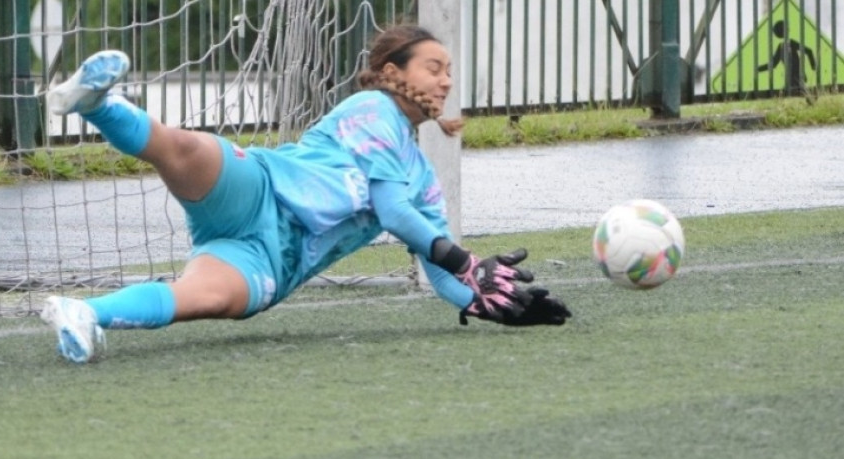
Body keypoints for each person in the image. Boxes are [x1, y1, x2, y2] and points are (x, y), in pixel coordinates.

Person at [40, 24, 571, 363]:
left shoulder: (424, 179)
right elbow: (394, 212)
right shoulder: (373, 109)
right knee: (182, 148)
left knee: (204, 299)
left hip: (271, 259)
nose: (446, 81)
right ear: (392, 73)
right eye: (434, 68)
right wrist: (463, 260)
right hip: (260, 191)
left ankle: (83, 313)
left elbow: (436, 267)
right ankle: (95, 103)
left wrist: (485, 302)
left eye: (450, 72)